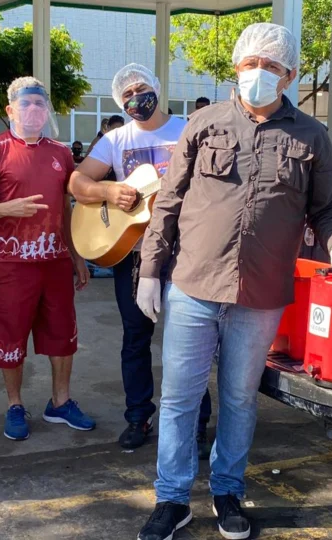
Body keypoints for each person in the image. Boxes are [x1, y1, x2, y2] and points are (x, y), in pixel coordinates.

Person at [134, 24, 332, 540]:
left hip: (260, 294)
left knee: (240, 399)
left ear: (289, 75)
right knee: (179, 399)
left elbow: (327, 207)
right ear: (237, 67)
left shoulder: (311, 135)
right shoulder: (205, 123)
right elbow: (168, 202)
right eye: (250, 64)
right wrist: (150, 270)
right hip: (194, 285)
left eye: (271, 66)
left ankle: (227, 490)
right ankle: (171, 499)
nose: (258, 73)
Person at [69, 63, 215, 453]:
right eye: (127, 94)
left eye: (141, 88)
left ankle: (195, 424)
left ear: (156, 87)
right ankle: (139, 417)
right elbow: (77, 182)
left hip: (187, 254)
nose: (136, 97)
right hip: (134, 254)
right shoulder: (116, 139)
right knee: (135, 339)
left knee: (192, 343)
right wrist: (109, 191)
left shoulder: (189, 129)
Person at [0, 77, 94, 441]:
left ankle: (60, 402)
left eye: (40, 104)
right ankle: (15, 404)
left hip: (55, 261)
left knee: (63, 334)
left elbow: (66, 209)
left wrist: (77, 255)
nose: (34, 110)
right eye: (26, 104)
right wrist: (8, 208)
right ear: (10, 110)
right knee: (11, 335)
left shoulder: (60, 153)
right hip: (14, 262)